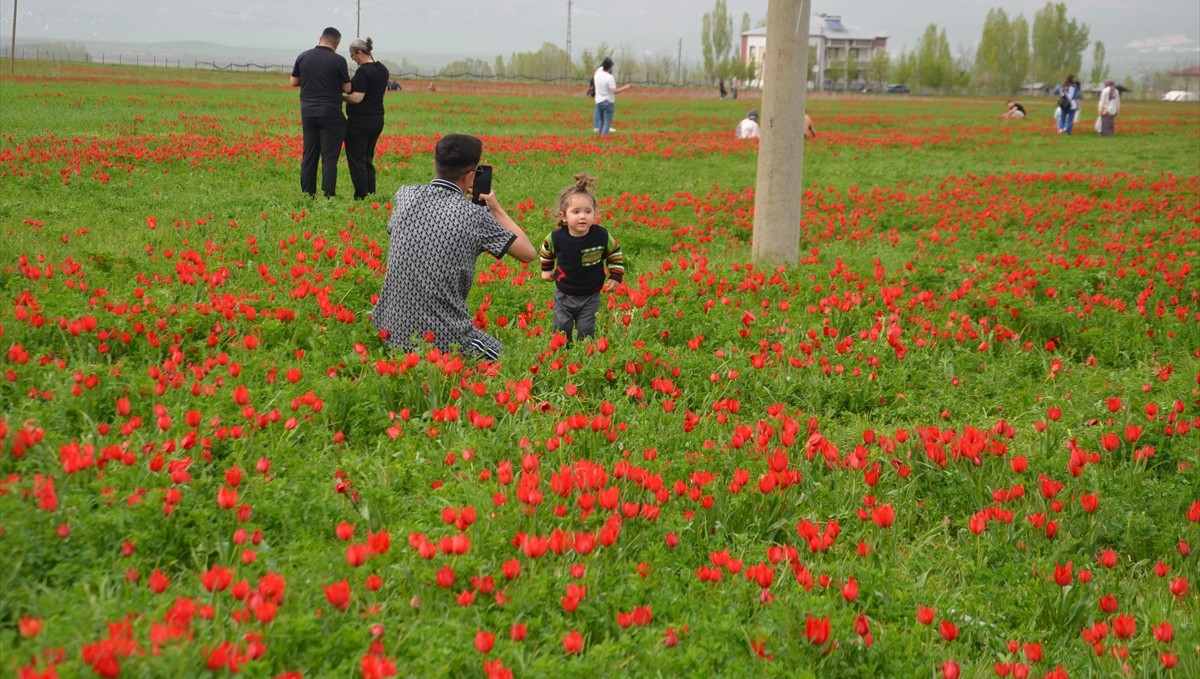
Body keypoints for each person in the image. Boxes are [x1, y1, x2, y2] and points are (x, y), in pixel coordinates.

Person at [372, 134, 537, 361]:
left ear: (434, 164)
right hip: (445, 338)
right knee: (507, 361)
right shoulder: (475, 216)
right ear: (470, 175)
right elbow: (528, 253)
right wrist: (495, 209)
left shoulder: (406, 195)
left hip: (389, 330)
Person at [539, 173, 624, 343]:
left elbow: (614, 252)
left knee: (587, 330)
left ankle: (585, 353)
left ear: (595, 214)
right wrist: (547, 270)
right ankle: (564, 351)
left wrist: (615, 276)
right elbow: (546, 250)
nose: (582, 216)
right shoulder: (557, 238)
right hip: (564, 293)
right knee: (562, 327)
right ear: (564, 216)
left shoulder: (601, 236)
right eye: (576, 212)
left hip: (590, 294)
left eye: (588, 211)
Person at [290, 27, 351, 197]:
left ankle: (307, 192)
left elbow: (293, 81)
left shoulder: (303, 56)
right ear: (337, 43)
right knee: (329, 155)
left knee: (309, 153)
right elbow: (347, 87)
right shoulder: (338, 60)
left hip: (308, 111)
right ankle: (328, 193)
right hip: (330, 112)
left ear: (320, 38)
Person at [343, 37, 390, 200]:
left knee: (357, 160)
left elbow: (357, 98)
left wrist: (341, 97)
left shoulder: (363, 71)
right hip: (377, 119)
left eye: (352, 55)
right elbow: (383, 93)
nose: (353, 59)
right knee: (368, 159)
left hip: (359, 122)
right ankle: (371, 193)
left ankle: (361, 195)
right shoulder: (382, 69)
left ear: (360, 53)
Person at [594, 58, 632, 136]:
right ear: (610, 67)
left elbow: (600, 69)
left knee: (601, 121)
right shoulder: (609, 77)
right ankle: (603, 138)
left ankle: (599, 137)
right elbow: (614, 91)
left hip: (598, 100)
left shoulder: (597, 74)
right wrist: (625, 87)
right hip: (608, 101)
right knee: (607, 122)